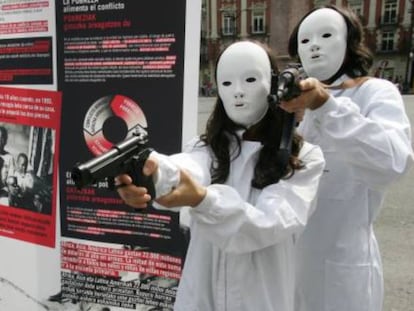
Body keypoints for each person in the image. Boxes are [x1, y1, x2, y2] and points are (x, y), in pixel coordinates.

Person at [116, 40, 326, 311]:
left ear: (274, 84)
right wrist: (151, 172)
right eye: (226, 83)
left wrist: (204, 200)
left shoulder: (305, 158)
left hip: (262, 297)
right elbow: (186, 167)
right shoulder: (206, 148)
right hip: (202, 296)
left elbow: (270, 223)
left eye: (250, 79)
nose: (237, 92)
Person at [281, 5, 414, 311]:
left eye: (326, 35)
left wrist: (327, 107)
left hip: (342, 265)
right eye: (304, 40)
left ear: (349, 42)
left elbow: (393, 163)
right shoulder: (288, 103)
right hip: (287, 265)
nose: (314, 45)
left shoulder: (374, 93)